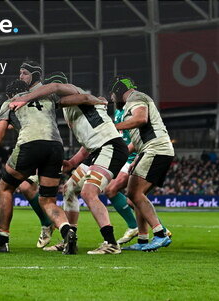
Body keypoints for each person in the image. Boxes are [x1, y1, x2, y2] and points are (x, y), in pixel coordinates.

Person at [7, 72, 128, 255]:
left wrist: (25, 98)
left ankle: (111, 243)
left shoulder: (72, 95)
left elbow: (61, 90)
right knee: (70, 188)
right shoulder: (70, 106)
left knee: (89, 192)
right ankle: (69, 237)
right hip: (97, 149)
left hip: (110, 147)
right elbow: (89, 141)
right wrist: (72, 162)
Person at [0, 78, 77, 254]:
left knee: (4, 188)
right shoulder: (47, 99)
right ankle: (66, 231)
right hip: (56, 147)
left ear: (10, 94)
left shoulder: (10, 103)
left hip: (30, 145)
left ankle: (2, 241)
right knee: (48, 200)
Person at [110, 77, 174, 252]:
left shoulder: (135, 98)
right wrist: (132, 159)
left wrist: (114, 127)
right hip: (150, 150)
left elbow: (141, 119)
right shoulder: (136, 99)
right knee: (134, 194)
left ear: (118, 91)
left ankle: (160, 234)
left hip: (156, 149)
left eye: (113, 95)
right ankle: (143, 240)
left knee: (135, 193)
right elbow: (136, 142)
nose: (113, 99)